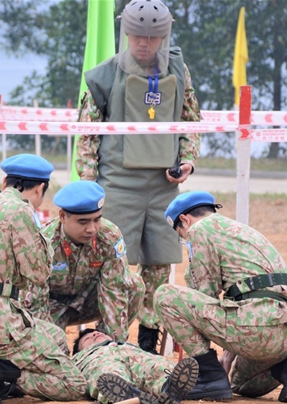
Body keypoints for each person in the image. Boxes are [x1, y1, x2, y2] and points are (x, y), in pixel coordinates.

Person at [75, 0, 202, 355]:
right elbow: (87, 135)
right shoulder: (104, 76)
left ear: (164, 36)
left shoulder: (178, 69)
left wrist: (188, 161)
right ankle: (112, 344)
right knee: (117, 267)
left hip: (164, 188)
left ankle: (148, 344)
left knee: (158, 268)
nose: (143, 44)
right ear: (125, 33)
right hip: (117, 184)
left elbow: (191, 121)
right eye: (136, 36)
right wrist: (89, 187)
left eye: (151, 38)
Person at [0, 154, 87, 404]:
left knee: (55, 336)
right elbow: (37, 274)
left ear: (6, 182)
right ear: (40, 188)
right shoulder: (21, 210)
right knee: (74, 383)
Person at [154, 191, 287, 403]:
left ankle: (209, 376)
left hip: (254, 327)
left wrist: (191, 341)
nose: (184, 238)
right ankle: (286, 367)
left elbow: (205, 294)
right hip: (284, 333)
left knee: (165, 296)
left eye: (180, 233)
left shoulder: (199, 230)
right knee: (240, 382)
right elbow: (243, 296)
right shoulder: (240, 231)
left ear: (184, 219)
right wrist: (227, 357)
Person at [36, 180, 145, 343]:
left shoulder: (108, 237)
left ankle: (98, 350)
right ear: (63, 217)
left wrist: (113, 347)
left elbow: (115, 291)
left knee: (134, 285)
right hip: (53, 308)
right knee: (51, 350)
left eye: (96, 220)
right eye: (83, 221)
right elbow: (35, 297)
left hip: (91, 301)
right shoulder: (44, 242)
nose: (92, 229)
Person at [71, 328, 198, 404]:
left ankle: (168, 390)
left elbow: (151, 363)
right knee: (108, 371)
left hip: (133, 355)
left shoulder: (128, 345)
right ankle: (125, 395)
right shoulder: (82, 358)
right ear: (79, 352)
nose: (95, 333)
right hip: (100, 358)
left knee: (155, 365)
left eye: (99, 333)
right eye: (88, 338)